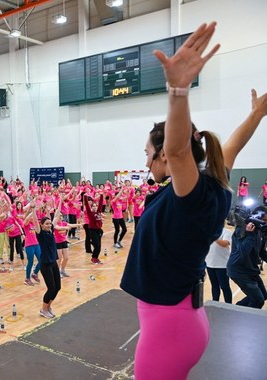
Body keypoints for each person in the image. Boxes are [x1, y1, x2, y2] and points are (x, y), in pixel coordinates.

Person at [120, 22, 267, 379]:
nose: (145, 162)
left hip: (168, 329)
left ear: (167, 156)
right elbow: (232, 144)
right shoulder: (214, 181)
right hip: (182, 320)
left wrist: (178, 90)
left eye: (148, 154)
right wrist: (256, 115)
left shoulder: (191, 194)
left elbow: (177, 148)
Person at [227, 207, 267, 309]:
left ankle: (237, 309)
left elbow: (261, 252)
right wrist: (250, 235)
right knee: (258, 300)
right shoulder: (242, 230)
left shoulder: (260, 231)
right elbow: (243, 252)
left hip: (251, 269)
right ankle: (244, 318)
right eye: (265, 220)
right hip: (239, 270)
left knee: (263, 296)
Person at [34, 216, 61, 319]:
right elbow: (36, 222)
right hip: (45, 264)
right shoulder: (40, 234)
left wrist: (61, 201)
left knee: (58, 287)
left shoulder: (50, 231)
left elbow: (57, 215)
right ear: (42, 225)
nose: (49, 225)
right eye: (47, 224)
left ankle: (48, 307)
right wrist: (33, 209)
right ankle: (43, 310)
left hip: (53, 262)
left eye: (50, 223)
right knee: (51, 288)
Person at [205, 224, 233, 303]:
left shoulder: (226, 232)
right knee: (214, 286)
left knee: (224, 287)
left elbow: (224, 244)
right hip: (210, 264)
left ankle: (229, 305)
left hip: (222, 265)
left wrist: (213, 237)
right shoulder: (209, 232)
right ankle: (215, 303)